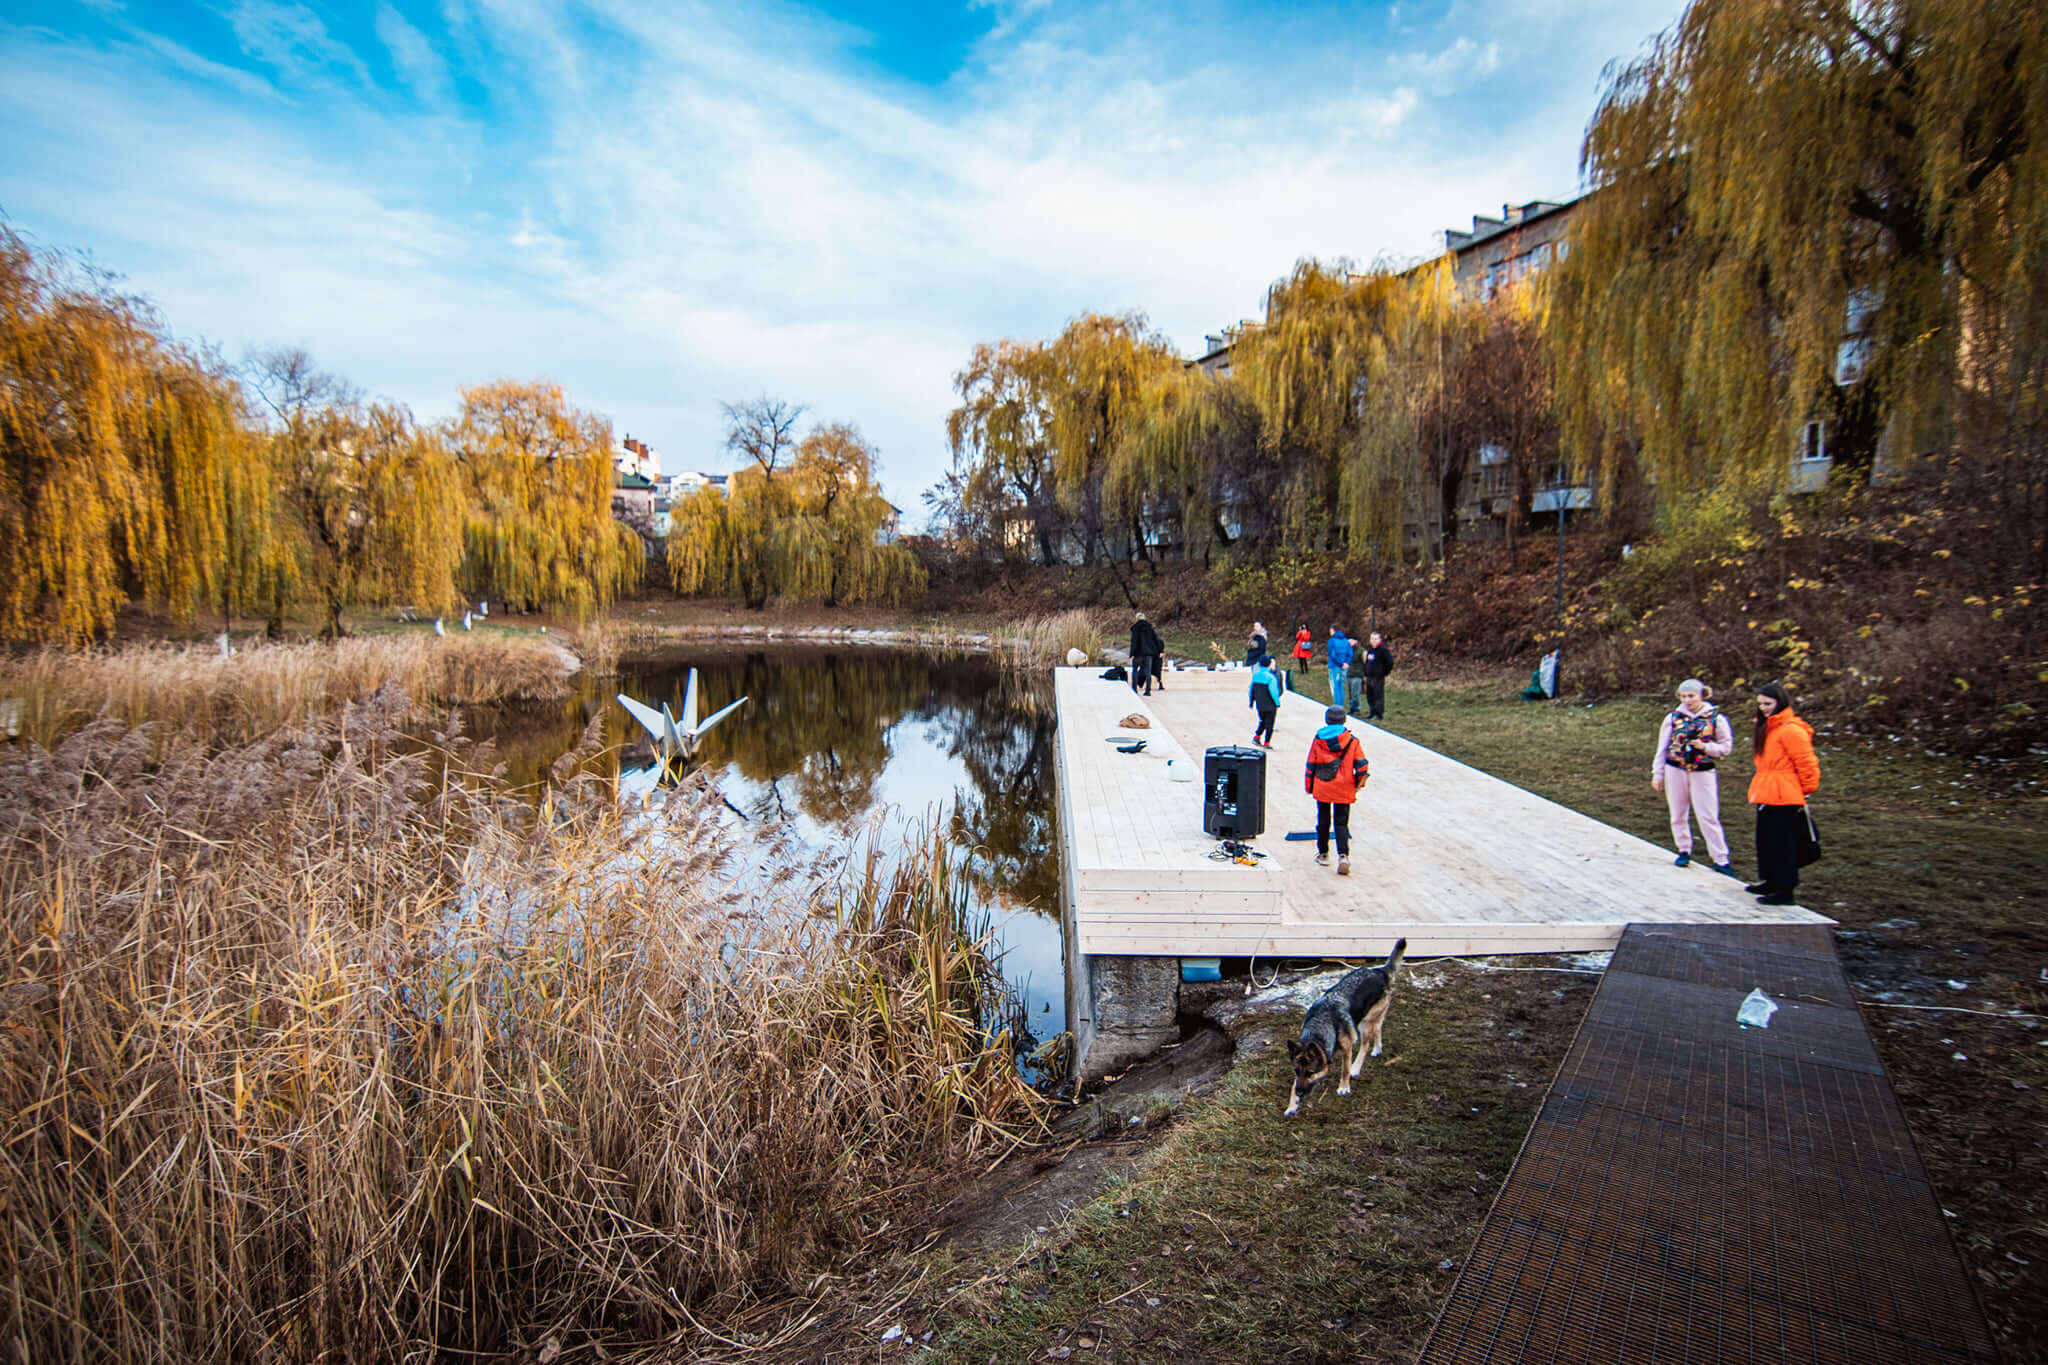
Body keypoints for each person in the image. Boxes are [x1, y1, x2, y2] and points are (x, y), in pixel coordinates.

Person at [1651, 678, 1736, 877]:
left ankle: (1720, 858)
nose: (1687, 700)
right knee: (1678, 812)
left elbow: (1726, 747)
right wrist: (1658, 773)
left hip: (1702, 769)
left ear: (1701, 695)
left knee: (1707, 814)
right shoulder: (1673, 718)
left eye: (1691, 696)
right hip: (1676, 768)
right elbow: (1662, 748)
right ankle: (1683, 849)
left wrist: (1706, 747)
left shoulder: (1715, 718)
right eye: (1683, 696)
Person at [1746, 682, 1820, 905]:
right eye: (1760, 704)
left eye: (1768, 704)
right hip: (1766, 789)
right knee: (1766, 840)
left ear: (1780, 702)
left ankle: (1785, 889)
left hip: (1784, 793)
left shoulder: (1790, 730)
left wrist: (1805, 790)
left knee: (1782, 844)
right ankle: (1771, 880)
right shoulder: (1767, 727)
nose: (1764, 708)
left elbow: (1807, 763)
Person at [1304, 705, 1369, 875]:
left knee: (1323, 820)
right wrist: (1358, 784)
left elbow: (1311, 763)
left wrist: (1309, 786)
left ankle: (1324, 854)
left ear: (1327, 720)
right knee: (1341, 822)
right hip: (1344, 786)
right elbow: (1362, 765)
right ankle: (1343, 856)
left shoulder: (1318, 739)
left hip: (1322, 785)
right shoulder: (1352, 741)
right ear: (1344, 720)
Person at [1355, 631, 1395, 720]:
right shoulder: (1370, 649)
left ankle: (1378, 714)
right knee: (1370, 696)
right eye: (1372, 639)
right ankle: (1372, 712)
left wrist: (1383, 672)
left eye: (1375, 639)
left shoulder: (1383, 650)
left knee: (1378, 696)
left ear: (1379, 639)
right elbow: (1367, 662)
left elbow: (1390, 662)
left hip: (1378, 677)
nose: (1373, 641)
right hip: (1369, 676)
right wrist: (1365, 671)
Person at [1249, 653, 1283, 747]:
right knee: (1270, 723)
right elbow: (1274, 692)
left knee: (1262, 721)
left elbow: (1252, 689)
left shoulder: (1255, 676)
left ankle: (1257, 736)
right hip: (1270, 704)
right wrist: (1277, 703)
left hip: (1260, 704)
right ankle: (1267, 742)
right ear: (1269, 664)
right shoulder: (1271, 677)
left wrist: (1251, 701)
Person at [1129, 612, 1164, 695]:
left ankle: (1134, 689)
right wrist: (1160, 651)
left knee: (1135, 670)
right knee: (1148, 672)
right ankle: (1147, 691)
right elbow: (1156, 639)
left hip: (1138, 654)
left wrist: (1132, 653)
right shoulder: (1150, 628)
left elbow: (1133, 641)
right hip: (1148, 654)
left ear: (1136, 619)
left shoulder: (1135, 628)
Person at [1325, 627, 1354, 713]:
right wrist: (1346, 663)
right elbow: (1350, 653)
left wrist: (1340, 664)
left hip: (1335, 666)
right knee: (1341, 686)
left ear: (1333, 630)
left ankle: (1336, 707)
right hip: (1344, 667)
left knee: (1335, 686)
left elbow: (1332, 655)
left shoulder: (1332, 641)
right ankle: (1341, 707)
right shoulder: (1346, 641)